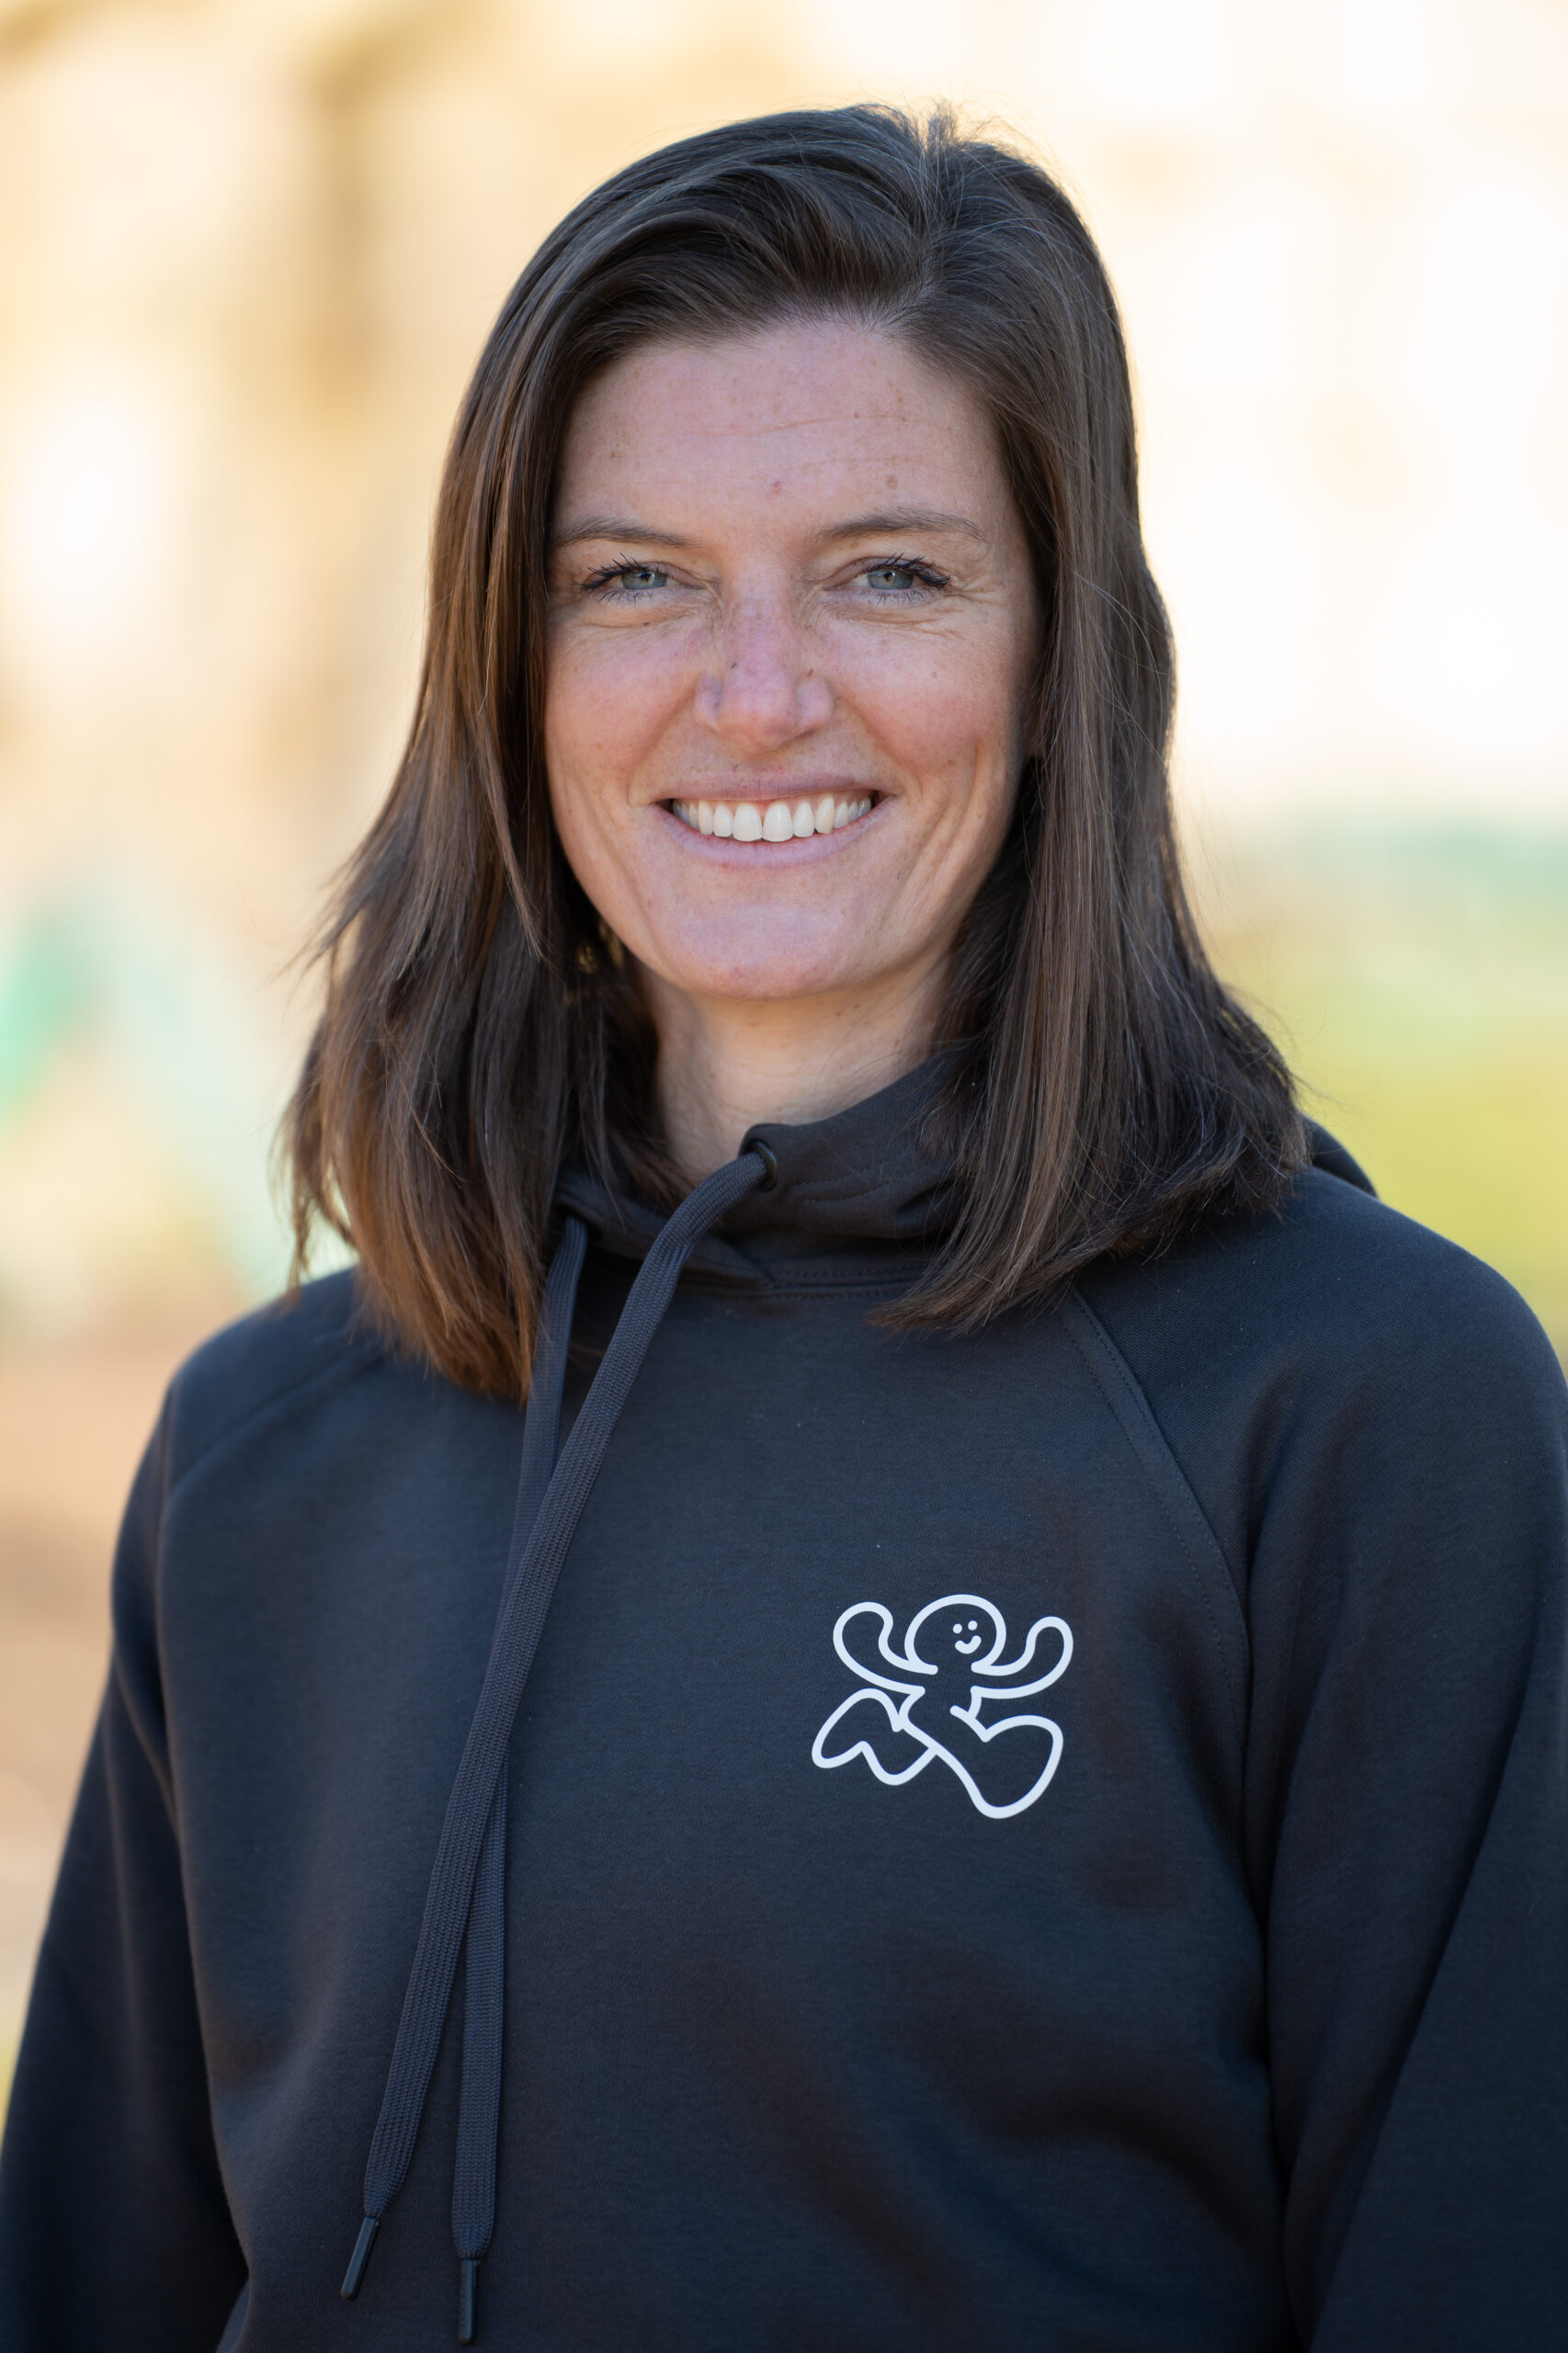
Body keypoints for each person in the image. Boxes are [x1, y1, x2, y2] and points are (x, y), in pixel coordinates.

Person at [1, 105, 1563, 2353]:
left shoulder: (1359, 1411)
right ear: (510, 673)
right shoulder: (263, 1456)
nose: (752, 694)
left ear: (1060, 659)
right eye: (633, 578)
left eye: (886, 573)